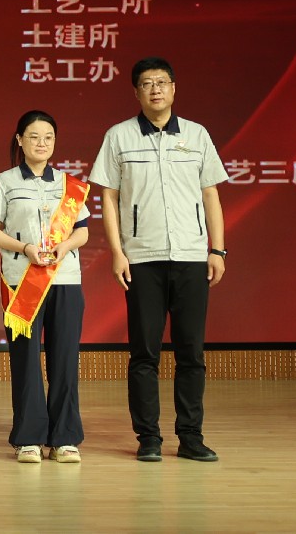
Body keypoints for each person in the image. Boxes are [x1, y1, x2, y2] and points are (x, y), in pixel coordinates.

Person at [90, 57, 228, 463]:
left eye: (162, 82)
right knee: (144, 354)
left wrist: (217, 249)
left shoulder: (197, 135)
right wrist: (117, 252)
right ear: (136, 92)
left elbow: (210, 194)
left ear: (173, 89)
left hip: (191, 256)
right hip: (142, 259)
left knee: (191, 353)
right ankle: (148, 437)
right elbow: (109, 198)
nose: (155, 89)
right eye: (147, 83)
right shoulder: (119, 136)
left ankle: (191, 437)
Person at [0, 110, 90, 463]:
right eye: (33, 137)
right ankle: (28, 438)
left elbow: (83, 232)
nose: (41, 143)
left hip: (65, 279)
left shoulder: (70, 185)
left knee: (65, 359)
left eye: (48, 137)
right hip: (21, 280)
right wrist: (24, 248)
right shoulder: (6, 182)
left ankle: (64, 438)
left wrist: (65, 246)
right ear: (20, 140)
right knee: (25, 360)